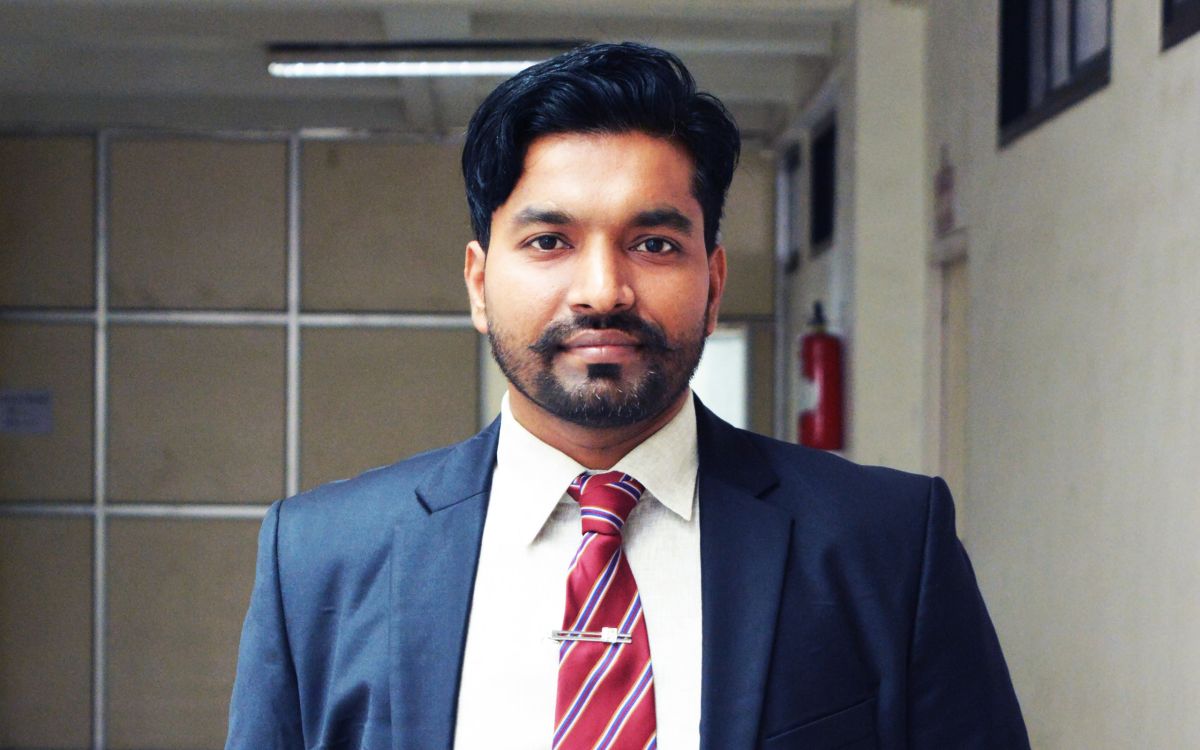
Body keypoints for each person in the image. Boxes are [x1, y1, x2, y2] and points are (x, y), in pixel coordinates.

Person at [226, 42, 1029, 749]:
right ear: (478, 283)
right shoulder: (321, 559)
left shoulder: (887, 543)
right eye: (550, 241)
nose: (603, 290)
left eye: (653, 243)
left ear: (713, 284)